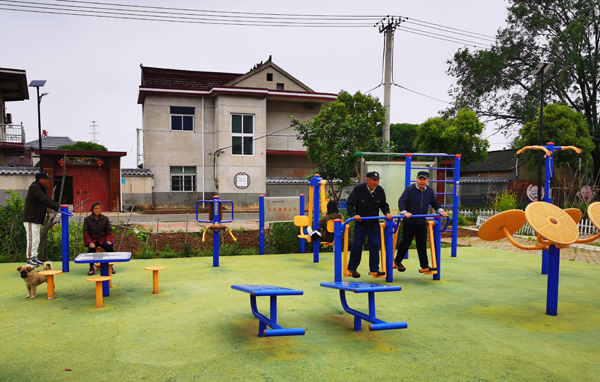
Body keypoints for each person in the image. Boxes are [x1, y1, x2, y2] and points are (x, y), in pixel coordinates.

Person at [395, 171, 448, 273]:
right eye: (420, 179)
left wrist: (441, 210)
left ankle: (424, 265)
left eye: (424, 179)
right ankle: (397, 261)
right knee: (406, 242)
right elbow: (402, 201)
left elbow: (434, 202)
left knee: (422, 243)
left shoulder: (429, 191)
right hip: (410, 220)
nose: (422, 181)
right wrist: (404, 212)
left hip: (421, 220)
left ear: (427, 180)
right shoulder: (410, 189)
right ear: (417, 179)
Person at [345, 171, 392, 278]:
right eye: (374, 180)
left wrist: (387, 213)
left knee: (375, 244)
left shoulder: (380, 190)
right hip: (360, 223)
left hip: (373, 223)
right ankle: (352, 268)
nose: (376, 182)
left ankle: (375, 269)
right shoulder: (359, 189)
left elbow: (384, 205)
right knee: (357, 244)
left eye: (377, 180)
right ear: (368, 180)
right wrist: (353, 215)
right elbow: (350, 204)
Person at [23, 172, 61, 267]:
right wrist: (57, 207)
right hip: (31, 218)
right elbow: (44, 199)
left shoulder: (41, 188)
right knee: (31, 239)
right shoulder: (34, 187)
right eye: (46, 179)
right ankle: (30, 258)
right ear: (40, 179)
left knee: (36, 239)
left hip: (37, 218)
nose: (47, 181)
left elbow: (44, 200)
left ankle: (34, 257)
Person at [83, 201, 114, 275]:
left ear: (101, 209)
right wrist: (90, 242)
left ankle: (110, 266)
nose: (97, 210)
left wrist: (108, 240)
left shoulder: (105, 219)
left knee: (109, 248)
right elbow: (86, 233)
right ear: (92, 210)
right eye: (95, 209)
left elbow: (109, 231)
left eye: (99, 208)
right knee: (91, 250)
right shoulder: (87, 219)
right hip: (92, 240)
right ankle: (91, 267)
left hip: (103, 239)